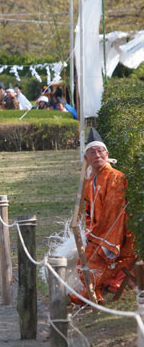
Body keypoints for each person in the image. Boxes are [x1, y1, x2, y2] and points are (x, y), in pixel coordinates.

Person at [71, 128, 135, 305]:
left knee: (91, 263)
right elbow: (89, 212)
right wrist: (89, 233)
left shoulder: (115, 177)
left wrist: (99, 240)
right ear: (86, 159)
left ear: (107, 154)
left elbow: (114, 213)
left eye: (100, 151)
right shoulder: (90, 182)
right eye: (92, 152)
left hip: (118, 236)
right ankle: (96, 292)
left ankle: (101, 289)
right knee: (82, 264)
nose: (97, 155)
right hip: (99, 234)